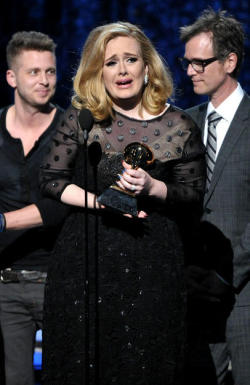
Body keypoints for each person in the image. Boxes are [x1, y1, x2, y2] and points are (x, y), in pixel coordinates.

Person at [39, 21, 206, 385]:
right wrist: (101, 203)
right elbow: (51, 180)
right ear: (97, 71)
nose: (122, 70)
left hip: (153, 266)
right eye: (110, 62)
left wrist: (153, 186)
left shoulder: (178, 125)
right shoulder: (82, 119)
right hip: (83, 267)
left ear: (148, 67)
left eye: (130, 59)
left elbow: (193, 194)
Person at [179, 8, 250, 385]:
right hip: (193, 291)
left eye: (200, 63)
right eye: (187, 62)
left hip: (244, 291)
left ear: (230, 61)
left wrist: (227, 274)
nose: (190, 71)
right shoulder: (183, 122)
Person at [0, 31, 69, 385]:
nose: (44, 81)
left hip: (61, 280)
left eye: (51, 71)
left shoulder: (70, 129)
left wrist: (2, 221)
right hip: (6, 284)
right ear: (12, 77)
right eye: (33, 72)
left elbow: (63, 204)